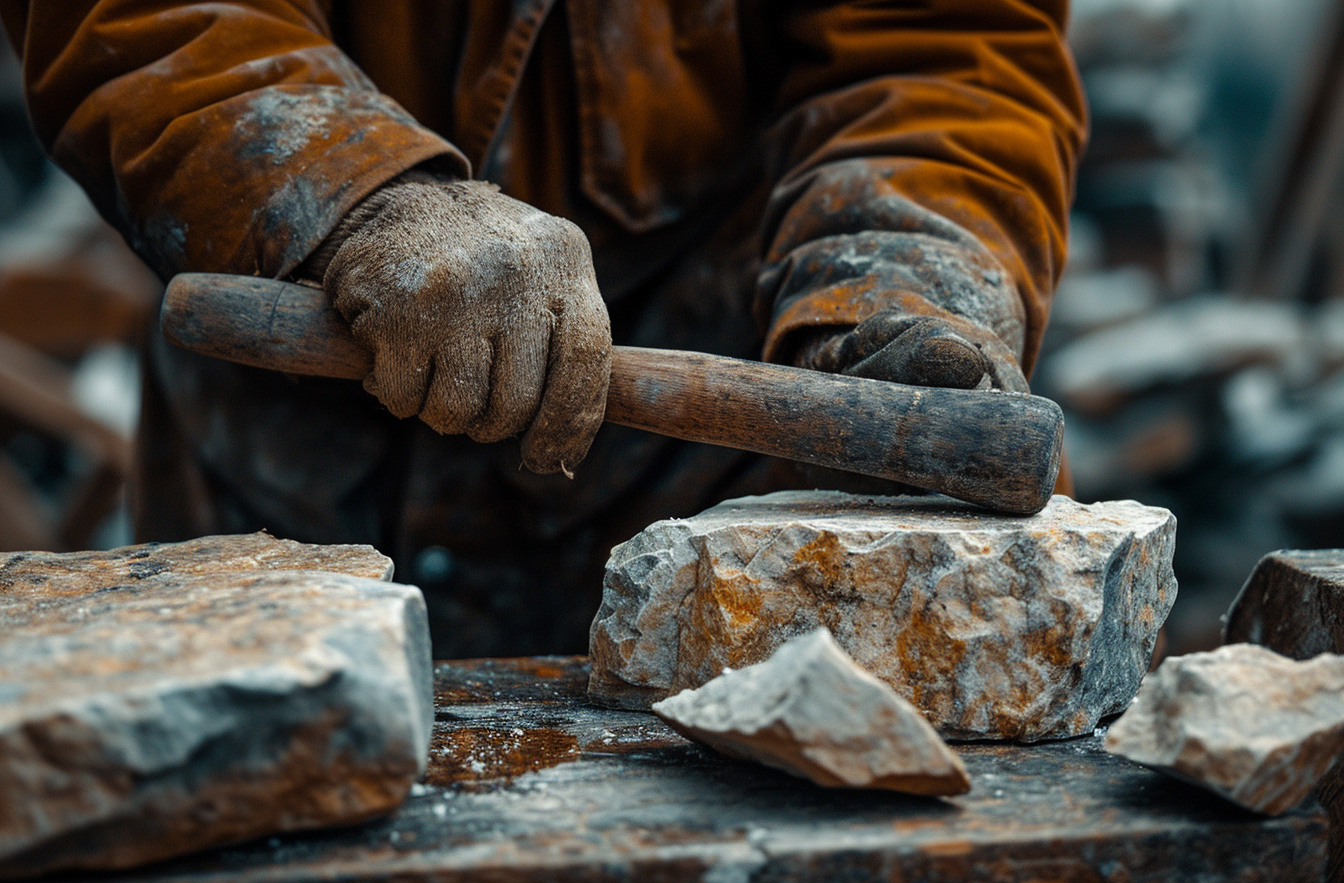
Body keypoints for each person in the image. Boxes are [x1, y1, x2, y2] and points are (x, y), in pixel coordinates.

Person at [0, 1, 1085, 655]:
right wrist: (355, 191)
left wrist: (897, 281)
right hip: (295, 470)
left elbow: (939, 45)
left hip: (703, 484)